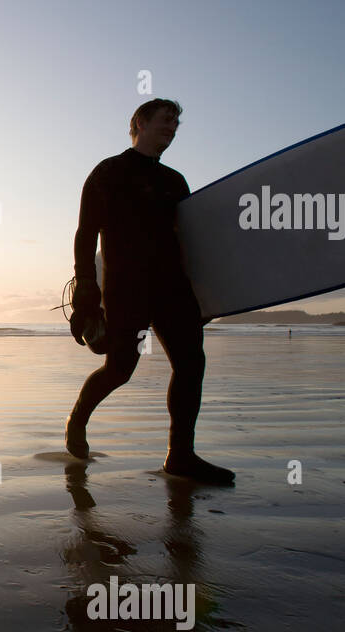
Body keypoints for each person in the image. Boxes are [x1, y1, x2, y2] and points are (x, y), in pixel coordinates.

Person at [66, 100, 234, 485]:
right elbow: (85, 233)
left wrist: (208, 296)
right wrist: (86, 292)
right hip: (127, 289)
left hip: (174, 287)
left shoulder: (175, 182)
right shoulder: (109, 173)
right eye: (166, 120)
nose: (173, 128)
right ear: (140, 122)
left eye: (177, 123)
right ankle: (78, 418)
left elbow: (192, 241)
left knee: (192, 364)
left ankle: (181, 455)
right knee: (120, 369)